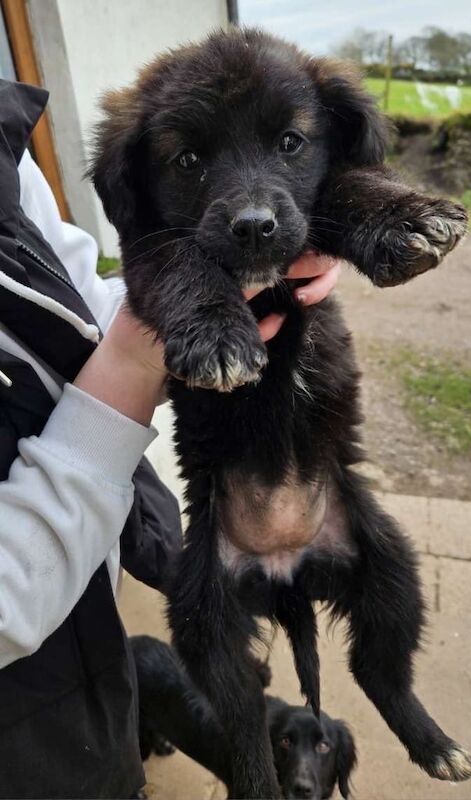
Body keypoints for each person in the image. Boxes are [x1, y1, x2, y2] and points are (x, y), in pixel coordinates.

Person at [0, 78, 341, 799]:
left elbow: (77, 288)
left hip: (85, 615)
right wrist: (131, 361)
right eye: (190, 161)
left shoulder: (4, 143)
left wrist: (256, 277)